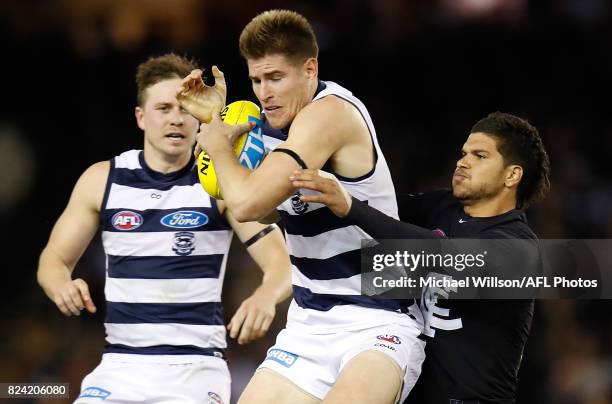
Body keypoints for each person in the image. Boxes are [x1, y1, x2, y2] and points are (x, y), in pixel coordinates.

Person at [176, 9, 424, 404]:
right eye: (256, 80)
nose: (263, 92)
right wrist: (217, 121)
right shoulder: (275, 131)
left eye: (276, 78)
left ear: (310, 69)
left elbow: (246, 203)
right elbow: (260, 209)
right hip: (308, 327)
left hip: (376, 323)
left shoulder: (329, 114)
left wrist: (218, 140)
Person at [36, 53, 292, 404]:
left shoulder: (220, 184)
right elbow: (53, 260)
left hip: (195, 369)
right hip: (119, 368)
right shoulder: (102, 180)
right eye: (163, 109)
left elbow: (281, 266)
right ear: (141, 117)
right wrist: (60, 284)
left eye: (185, 109)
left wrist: (265, 296)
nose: (176, 119)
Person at [289, 111, 551, 403]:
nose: (462, 162)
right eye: (463, 153)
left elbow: (439, 254)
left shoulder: (519, 248)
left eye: (479, 156)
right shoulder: (441, 207)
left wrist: (351, 206)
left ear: (512, 175)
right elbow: (376, 212)